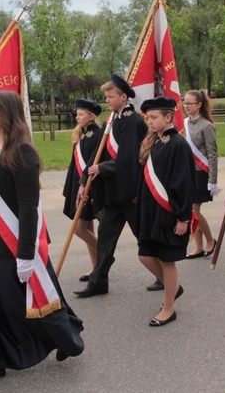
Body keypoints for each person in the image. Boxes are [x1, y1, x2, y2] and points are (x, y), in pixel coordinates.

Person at [0, 91, 84, 385]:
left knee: (20, 301)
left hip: (13, 240)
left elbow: (28, 208)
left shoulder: (23, 153)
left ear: (6, 114)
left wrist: (26, 255)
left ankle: (66, 338)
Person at [74, 74, 148, 298]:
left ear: (124, 97)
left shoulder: (133, 121)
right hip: (112, 193)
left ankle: (163, 275)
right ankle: (98, 282)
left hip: (129, 191)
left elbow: (129, 158)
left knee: (144, 236)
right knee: (105, 238)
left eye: (110, 96)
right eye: (106, 96)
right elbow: (99, 154)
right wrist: (84, 180)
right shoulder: (110, 121)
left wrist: (103, 169)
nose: (107, 100)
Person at [137, 96, 195, 326]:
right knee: (145, 255)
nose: (149, 121)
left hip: (169, 213)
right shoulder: (155, 141)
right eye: (148, 117)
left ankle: (169, 307)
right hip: (151, 212)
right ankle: (174, 289)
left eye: (154, 117)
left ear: (168, 117)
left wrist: (183, 217)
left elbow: (183, 183)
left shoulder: (178, 144)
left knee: (166, 259)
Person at [62, 99, 103, 281]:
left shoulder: (98, 135)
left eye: (81, 114)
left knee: (79, 229)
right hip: (78, 185)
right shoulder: (81, 134)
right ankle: (96, 267)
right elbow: (75, 165)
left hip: (89, 187)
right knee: (88, 227)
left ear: (92, 116)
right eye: (77, 114)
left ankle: (105, 256)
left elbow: (94, 163)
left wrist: (87, 186)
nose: (77, 117)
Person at [181, 90, 218, 259]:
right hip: (188, 172)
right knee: (191, 209)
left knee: (193, 210)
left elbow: (212, 154)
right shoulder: (184, 123)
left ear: (199, 104)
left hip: (201, 173)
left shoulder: (206, 125)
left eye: (190, 103)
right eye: (185, 103)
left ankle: (211, 241)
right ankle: (199, 247)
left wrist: (213, 180)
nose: (187, 106)